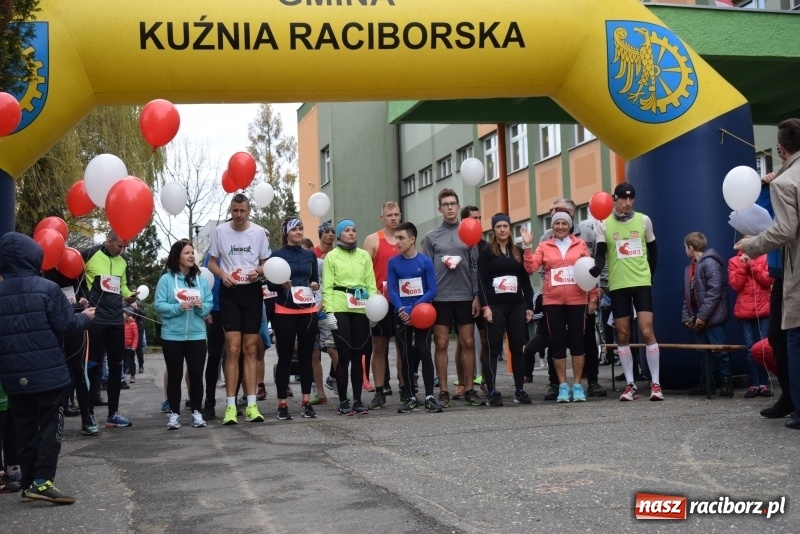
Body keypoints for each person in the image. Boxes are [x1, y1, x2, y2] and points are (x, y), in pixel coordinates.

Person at [0, 232, 95, 504]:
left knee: (24, 430)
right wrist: (85, 318)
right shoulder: (47, 288)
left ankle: (29, 482)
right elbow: (66, 325)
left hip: (13, 375)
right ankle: (43, 482)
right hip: (48, 373)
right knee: (51, 427)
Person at [735, 118, 800, 428]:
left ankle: (794, 400)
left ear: (781, 149)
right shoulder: (776, 182)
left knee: (790, 336)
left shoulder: (784, 183)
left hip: (790, 269)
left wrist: (752, 245)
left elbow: (785, 228)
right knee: (778, 335)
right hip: (780, 270)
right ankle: (789, 397)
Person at [590, 182, 663, 401]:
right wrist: (596, 267)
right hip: (619, 284)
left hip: (641, 281)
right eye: (623, 199)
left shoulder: (644, 220)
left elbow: (653, 250)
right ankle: (630, 385)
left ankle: (656, 384)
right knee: (622, 334)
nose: (627, 203)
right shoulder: (604, 224)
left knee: (647, 330)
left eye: (631, 199)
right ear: (615, 199)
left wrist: (650, 275)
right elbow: (601, 253)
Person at [207, 194, 271, 425]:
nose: (239, 215)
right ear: (230, 210)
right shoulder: (220, 232)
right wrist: (223, 275)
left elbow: (266, 263)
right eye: (235, 211)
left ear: (249, 210)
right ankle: (230, 406)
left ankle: (252, 404)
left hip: (252, 292)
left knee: (250, 349)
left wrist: (259, 271)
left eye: (243, 211)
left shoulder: (259, 232)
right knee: (232, 349)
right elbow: (212, 262)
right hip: (230, 292)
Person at [522, 212, 597, 403]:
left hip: (577, 300)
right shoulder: (545, 245)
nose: (561, 226)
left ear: (570, 226)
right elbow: (531, 267)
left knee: (578, 343)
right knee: (557, 343)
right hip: (553, 301)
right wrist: (527, 246)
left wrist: (593, 298)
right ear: (552, 227)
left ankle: (578, 385)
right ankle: (563, 386)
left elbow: (591, 270)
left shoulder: (579, 244)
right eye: (557, 224)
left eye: (564, 223)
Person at [421, 189, 485, 407]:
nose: (449, 207)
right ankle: (444, 391)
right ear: (439, 208)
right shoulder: (431, 236)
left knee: (467, 342)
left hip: (465, 296)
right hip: (440, 297)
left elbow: (475, 267)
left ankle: (469, 389)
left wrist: (476, 295)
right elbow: (426, 268)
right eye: (445, 204)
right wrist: (427, 297)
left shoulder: (469, 232)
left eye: (453, 204)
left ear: (458, 207)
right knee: (441, 343)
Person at [539, 198, 609, 398]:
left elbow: (597, 260)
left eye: (561, 211)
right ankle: (555, 384)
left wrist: (600, 285)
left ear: (571, 214)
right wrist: (548, 284)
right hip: (555, 298)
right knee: (555, 340)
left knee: (586, 339)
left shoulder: (587, 234)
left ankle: (592, 381)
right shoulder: (547, 236)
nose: (556, 215)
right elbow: (542, 266)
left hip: (582, 296)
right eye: (554, 211)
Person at [81, 230, 138, 428]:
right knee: (94, 366)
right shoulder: (89, 254)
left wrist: (130, 295)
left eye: (125, 247)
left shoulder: (122, 262)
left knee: (116, 366)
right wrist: (81, 297)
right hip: (96, 319)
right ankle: (87, 416)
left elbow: (122, 286)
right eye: (119, 246)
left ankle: (113, 413)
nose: (122, 250)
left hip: (115, 318)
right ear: (108, 240)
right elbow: (74, 276)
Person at [154, 239, 213, 430]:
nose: (191, 256)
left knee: (196, 375)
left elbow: (209, 304)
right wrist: (177, 308)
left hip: (197, 335)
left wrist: (201, 308)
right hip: (172, 336)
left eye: (192, 253)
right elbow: (158, 305)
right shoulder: (166, 279)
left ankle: (196, 412)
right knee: (175, 375)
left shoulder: (200, 279)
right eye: (187, 253)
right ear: (177, 256)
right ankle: (174, 414)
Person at [321, 219, 377, 415]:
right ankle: (343, 400)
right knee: (343, 355)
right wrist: (329, 312)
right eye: (347, 230)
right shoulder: (331, 257)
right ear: (339, 235)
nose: (352, 233)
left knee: (358, 355)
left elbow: (371, 284)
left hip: (361, 308)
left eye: (354, 230)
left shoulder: (364, 255)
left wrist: (374, 309)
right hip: (340, 307)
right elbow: (326, 286)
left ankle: (358, 400)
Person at [478, 213, 534, 406]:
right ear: (493, 229)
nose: (502, 230)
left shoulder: (518, 251)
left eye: (505, 226)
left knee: (517, 348)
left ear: (510, 229)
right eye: (499, 226)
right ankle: (492, 391)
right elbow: (482, 281)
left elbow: (525, 280)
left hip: (516, 306)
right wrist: (486, 307)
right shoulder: (487, 252)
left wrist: (529, 305)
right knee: (493, 349)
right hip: (495, 306)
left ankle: (519, 390)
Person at [267, 217, 319, 420]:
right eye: (294, 229)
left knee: (307, 358)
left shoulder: (310, 255)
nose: (298, 231)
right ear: (286, 232)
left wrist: (314, 285)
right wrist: (282, 285)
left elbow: (314, 279)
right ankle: (282, 404)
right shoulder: (277, 255)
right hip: (285, 311)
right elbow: (270, 286)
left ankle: (306, 402)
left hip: (307, 310)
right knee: (285, 358)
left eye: (301, 228)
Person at [386, 222, 442, 413]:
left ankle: (428, 396)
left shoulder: (425, 262)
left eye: (401, 238)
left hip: (422, 315)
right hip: (401, 315)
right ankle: (410, 396)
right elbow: (391, 290)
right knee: (406, 355)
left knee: (425, 352)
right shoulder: (393, 262)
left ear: (412, 239)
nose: (397, 241)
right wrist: (402, 309)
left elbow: (432, 290)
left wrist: (414, 310)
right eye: (396, 238)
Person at [681, 232, 732, 397]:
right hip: (699, 316)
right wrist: (688, 317)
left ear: (690, 247)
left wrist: (702, 316)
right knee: (702, 351)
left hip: (713, 317)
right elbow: (688, 295)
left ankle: (726, 382)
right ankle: (707, 382)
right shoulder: (691, 267)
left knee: (720, 350)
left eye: (685, 247)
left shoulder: (710, 264)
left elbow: (714, 292)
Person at [363, 201, 401, 410]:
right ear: (382, 217)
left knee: (403, 348)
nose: (393, 218)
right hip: (380, 302)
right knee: (379, 347)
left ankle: (405, 388)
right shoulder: (372, 240)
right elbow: (363, 270)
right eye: (389, 215)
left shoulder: (406, 238)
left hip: (403, 302)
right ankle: (379, 391)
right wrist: (372, 293)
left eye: (396, 214)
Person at [728, 243, 773, 398]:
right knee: (749, 349)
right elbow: (735, 285)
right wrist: (742, 265)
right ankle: (753, 383)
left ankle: (764, 383)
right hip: (745, 310)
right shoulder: (734, 261)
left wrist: (752, 263)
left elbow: (768, 280)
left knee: (764, 347)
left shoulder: (765, 257)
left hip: (764, 308)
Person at [454, 205, 487, 398]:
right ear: (465, 221)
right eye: (474, 218)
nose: (478, 222)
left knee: (483, 340)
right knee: (462, 342)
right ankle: (462, 383)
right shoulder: (457, 243)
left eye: (480, 218)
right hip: (461, 298)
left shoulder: (485, 246)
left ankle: (483, 380)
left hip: (482, 300)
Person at [313, 222, 340, 395]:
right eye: (327, 232)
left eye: (332, 232)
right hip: (311, 305)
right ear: (320, 235)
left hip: (331, 306)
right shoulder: (311, 255)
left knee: (333, 348)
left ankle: (339, 382)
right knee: (313, 353)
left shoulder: (338, 255)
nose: (330, 234)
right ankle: (320, 392)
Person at [123, 307, 138, 384]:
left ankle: (133, 375)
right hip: (123, 346)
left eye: (124, 313)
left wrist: (134, 346)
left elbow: (136, 336)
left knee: (131, 361)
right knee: (123, 361)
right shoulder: (122, 323)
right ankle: (123, 375)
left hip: (130, 347)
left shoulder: (133, 324)